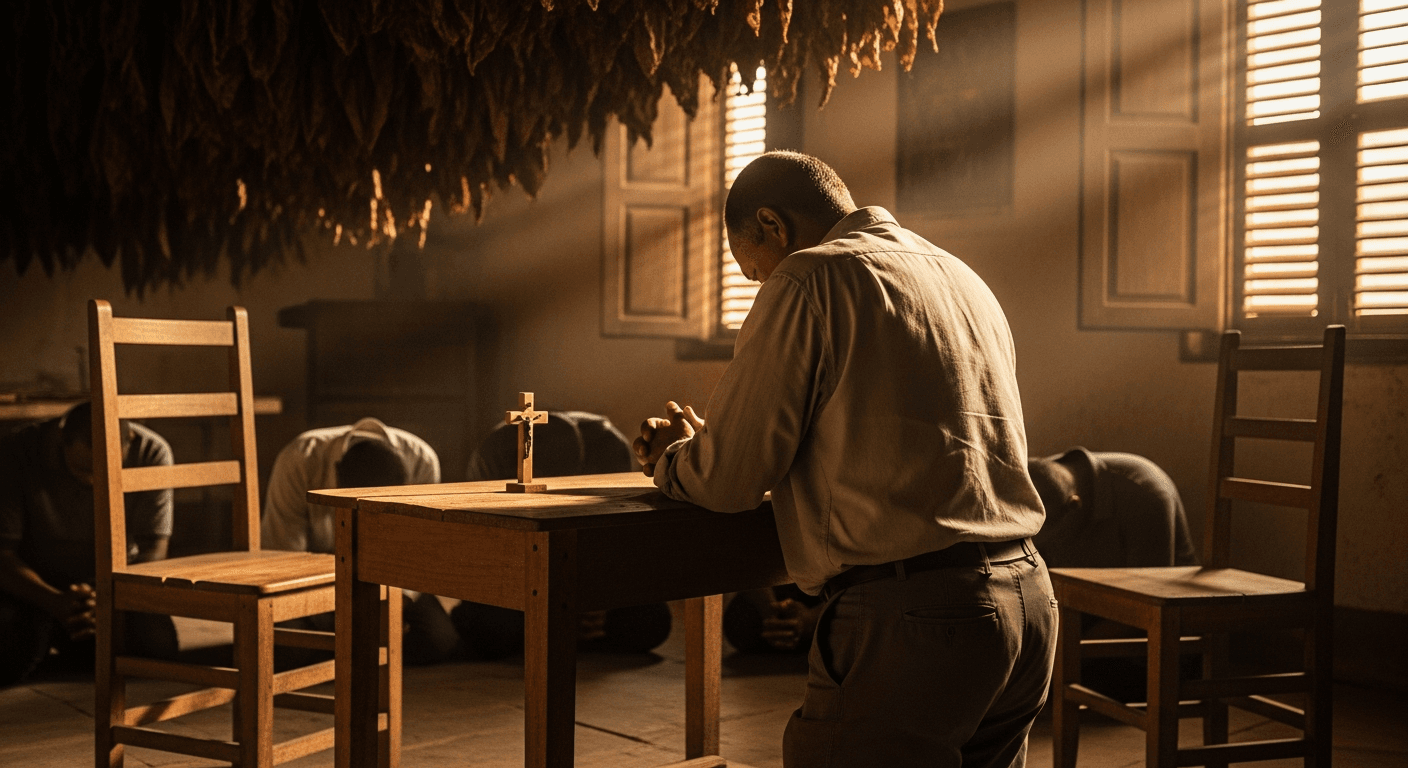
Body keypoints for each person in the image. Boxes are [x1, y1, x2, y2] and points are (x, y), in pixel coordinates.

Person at [633, 151, 1055, 768]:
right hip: (1025, 601)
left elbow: (729, 480)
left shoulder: (809, 279)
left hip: (918, 623)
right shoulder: (959, 276)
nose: (759, 285)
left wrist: (676, 456)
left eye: (754, 271)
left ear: (773, 226)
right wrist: (715, 445)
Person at [454, 411, 673, 658]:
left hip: (588, 573)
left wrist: (597, 598)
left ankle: (574, 629)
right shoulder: (497, 455)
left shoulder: (607, 448)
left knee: (653, 622)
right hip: (517, 576)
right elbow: (487, 551)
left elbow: (617, 539)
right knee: (489, 628)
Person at [0, 402, 178, 686]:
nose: (96, 482)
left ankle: (68, 635)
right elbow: (3, 555)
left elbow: (153, 550)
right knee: (7, 653)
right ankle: (56, 631)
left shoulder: (151, 452)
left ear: (129, 440)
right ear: (62, 440)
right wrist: (54, 601)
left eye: (108, 472)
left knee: (156, 649)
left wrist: (103, 599)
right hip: (34, 584)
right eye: (83, 469)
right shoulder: (18, 451)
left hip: (115, 582)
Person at [261, 418, 459, 666]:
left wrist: (396, 601)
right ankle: (350, 651)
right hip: (317, 582)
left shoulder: (420, 461)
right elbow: (283, 557)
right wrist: (334, 609)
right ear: (337, 474)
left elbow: (417, 551)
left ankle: (349, 651)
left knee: (441, 641)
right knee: (286, 650)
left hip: (389, 579)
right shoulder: (299, 459)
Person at [1028, 447, 1199, 702]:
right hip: (1084, 613)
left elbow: (1146, 609)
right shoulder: (1032, 485)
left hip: (1152, 630)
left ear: (1074, 506)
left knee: (1036, 688)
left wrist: (1059, 656)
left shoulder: (1144, 493)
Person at [1027, 447, 1198, 569]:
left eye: (1044, 547)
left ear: (1074, 507)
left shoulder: (1144, 494)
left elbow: (1149, 600)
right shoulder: (1029, 482)